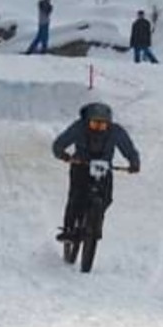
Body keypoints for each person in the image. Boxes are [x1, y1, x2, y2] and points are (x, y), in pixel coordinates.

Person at [52, 102, 140, 242]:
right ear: (87, 122)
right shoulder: (78, 128)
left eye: (102, 125)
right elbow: (59, 144)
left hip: (104, 168)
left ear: (109, 124)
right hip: (81, 165)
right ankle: (69, 229)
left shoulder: (116, 131)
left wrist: (134, 163)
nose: (99, 128)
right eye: (95, 124)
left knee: (107, 198)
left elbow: (128, 148)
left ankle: (95, 222)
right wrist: (63, 155)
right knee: (76, 196)